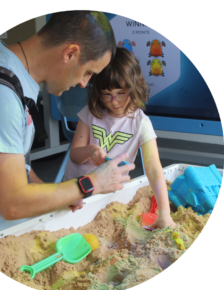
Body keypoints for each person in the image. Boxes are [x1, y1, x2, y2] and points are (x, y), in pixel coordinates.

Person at [0, 10, 135, 241]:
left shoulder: (6, 63)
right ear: (71, 53)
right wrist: (90, 183)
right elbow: (12, 202)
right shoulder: (0, 95)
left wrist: (60, 195)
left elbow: (15, 162)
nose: (84, 84)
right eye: (88, 72)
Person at [63, 46, 176, 229]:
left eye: (120, 93)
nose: (113, 101)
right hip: (77, 190)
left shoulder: (140, 123)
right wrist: (91, 150)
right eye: (106, 94)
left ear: (134, 86)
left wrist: (164, 212)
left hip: (109, 194)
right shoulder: (91, 113)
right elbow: (75, 155)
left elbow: (154, 168)